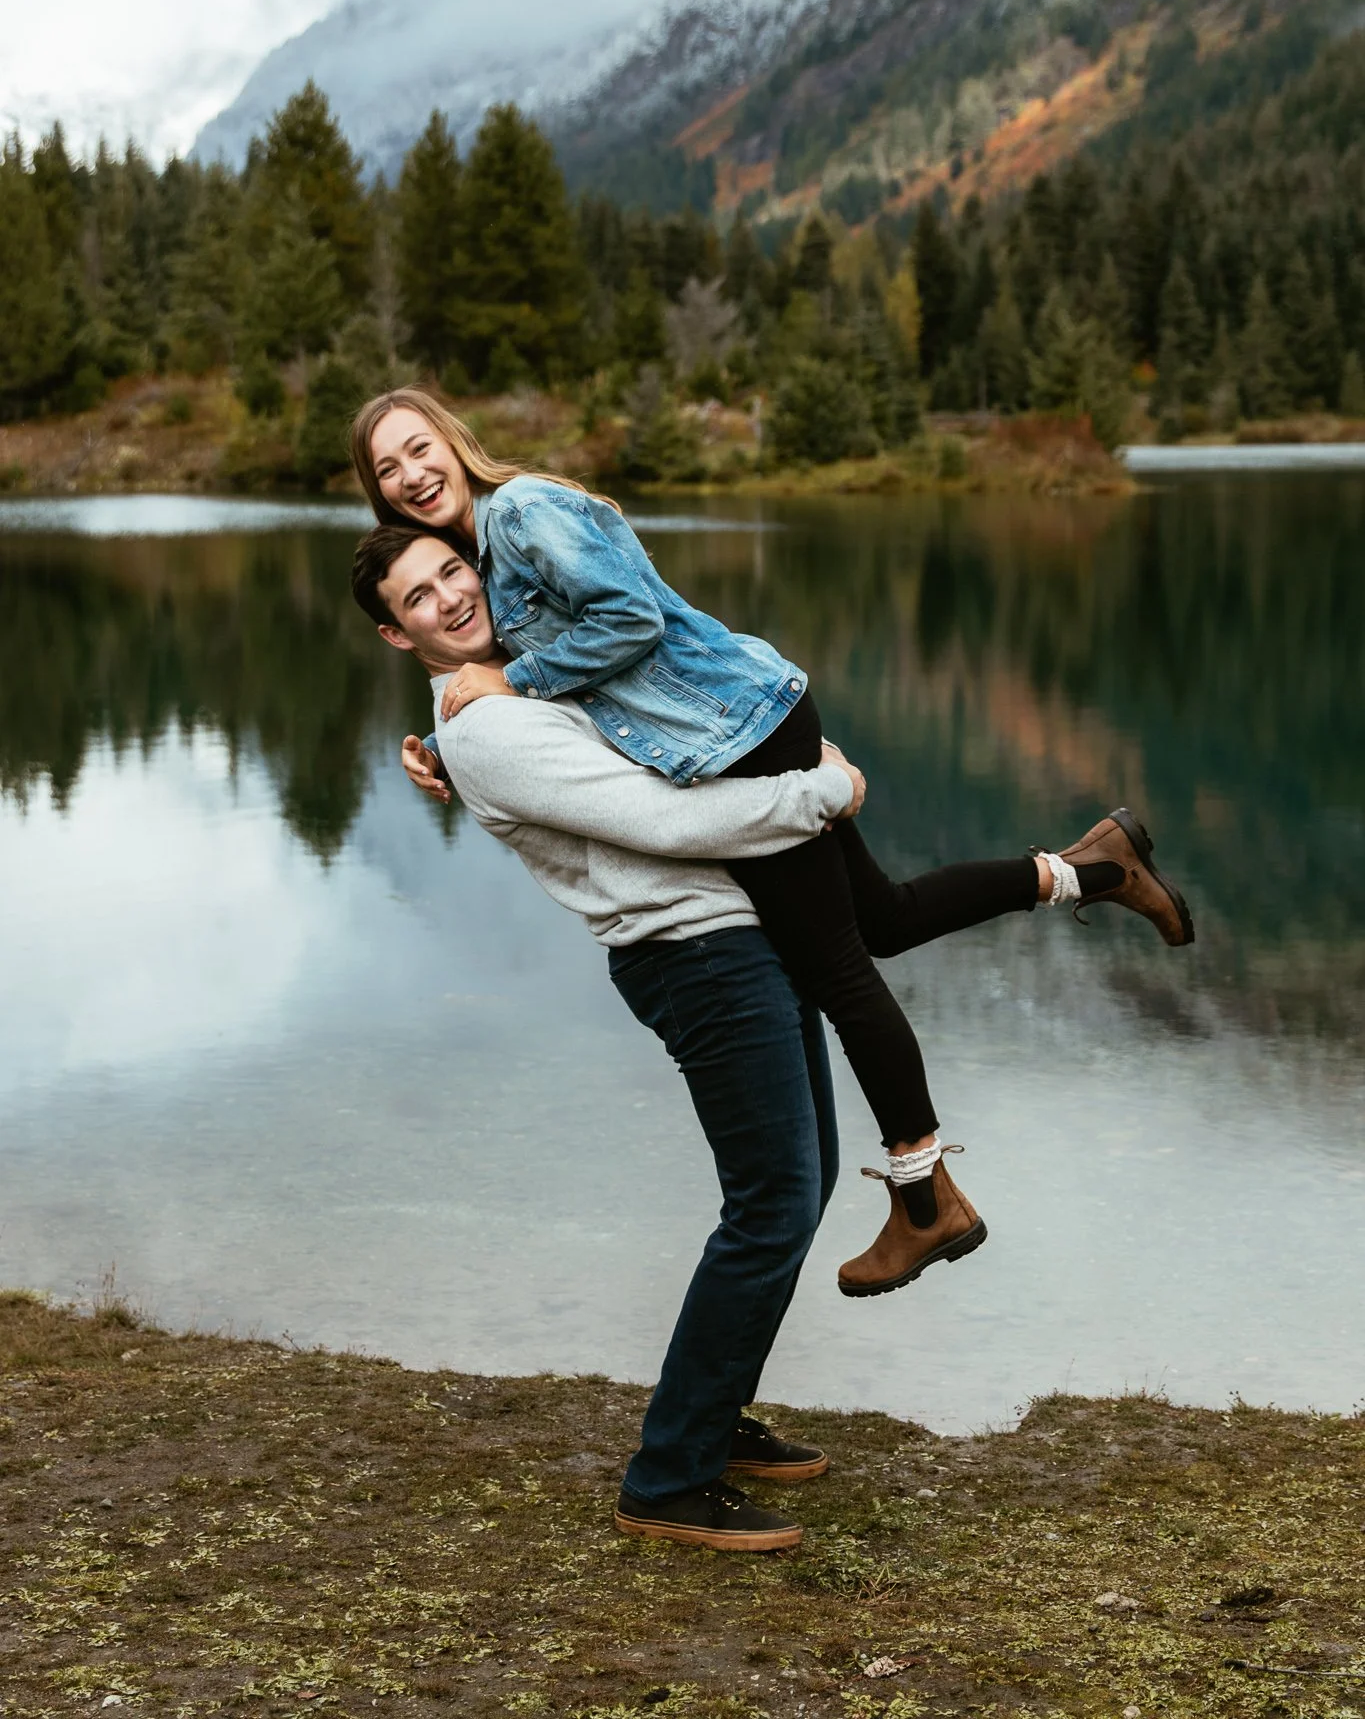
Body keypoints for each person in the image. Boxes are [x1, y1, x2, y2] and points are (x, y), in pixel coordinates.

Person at [348, 524, 1177, 1549]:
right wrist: (817, 789)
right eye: (419, 599)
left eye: (450, 571)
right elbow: (662, 819)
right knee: (772, 1200)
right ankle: (669, 1474)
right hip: (693, 953)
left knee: (798, 1179)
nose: (448, 596)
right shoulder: (488, 730)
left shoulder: (507, 683)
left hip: (735, 928)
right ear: (397, 633)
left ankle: (715, 1417)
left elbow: (639, 666)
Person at [349, 389, 1196, 1296]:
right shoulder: (479, 553)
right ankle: (1088, 869)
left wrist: (508, 679)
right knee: (882, 919)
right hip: (737, 724)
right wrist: (444, 743)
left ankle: (925, 1199)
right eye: (388, 469)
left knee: (835, 968)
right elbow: (553, 700)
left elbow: (625, 622)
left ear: (451, 439)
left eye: (417, 448)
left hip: (738, 733)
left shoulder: (518, 512)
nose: (411, 475)